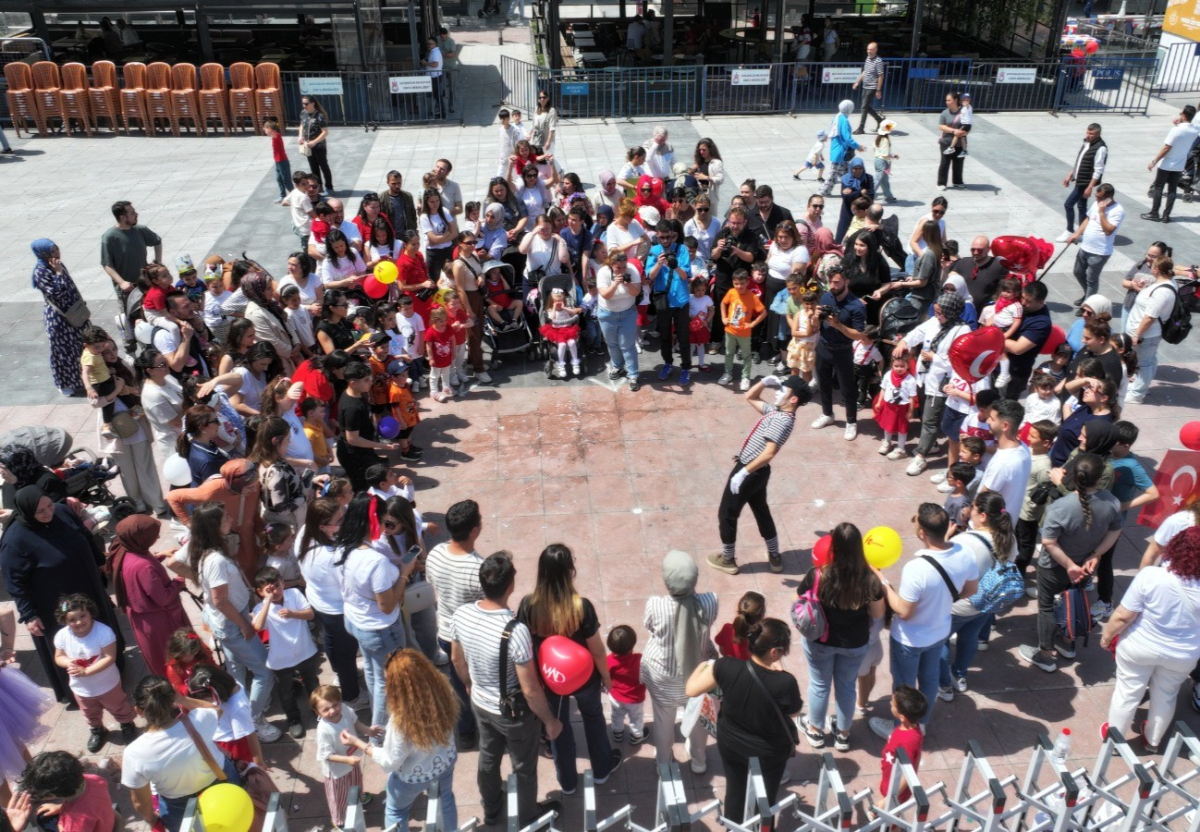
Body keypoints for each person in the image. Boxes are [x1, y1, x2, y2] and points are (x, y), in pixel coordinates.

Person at [448, 551, 562, 827]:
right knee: (523, 768)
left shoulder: (461, 614)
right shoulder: (515, 631)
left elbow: (456, 659)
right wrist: (549, 720)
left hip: (480, 703)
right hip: (513, 714)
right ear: (510, 585)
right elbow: (530, 689)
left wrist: (469, 684)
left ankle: (492, 809)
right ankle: (528, 819)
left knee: (488, 757)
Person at [0, 486, 123, 704]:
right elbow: (15, 582)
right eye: (40, 511)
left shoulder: (62, 511)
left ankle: (112, 670)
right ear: (27, 512)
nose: (48, 512)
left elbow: (85, 536)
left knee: (99, 627)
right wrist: (29, 615)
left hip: (89, 590)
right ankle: (82, 692)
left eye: (49, 506)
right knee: (73, 640)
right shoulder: (14, 541)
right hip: (57, 603)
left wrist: (100, 560)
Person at [869, 504, 980, 738]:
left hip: (910, 639)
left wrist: (882, 581)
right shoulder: (965, 553)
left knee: (904, 687)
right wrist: (942, 599)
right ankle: (922, 723)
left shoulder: (916, 568)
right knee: (929, 679)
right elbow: (971, 590)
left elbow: (903, 611)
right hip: (939, 632)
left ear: (922, 533)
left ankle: (901, 728)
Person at [517, 544, 621, 793]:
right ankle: (602, 769)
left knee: (557, 726)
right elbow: (597, 650)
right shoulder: (581, 606)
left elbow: (523, 644)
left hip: (550, 679)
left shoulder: (529, 605)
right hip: (585, 678)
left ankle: (568, 782)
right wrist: (606, 677)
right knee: (594, 718)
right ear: (569, 572)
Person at [685, 618, 800, 823]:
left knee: (735, 788)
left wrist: (703, 665)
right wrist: (779, 672)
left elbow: (691, 689)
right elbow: (793, 711)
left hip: (731, 742)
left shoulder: (725, 666)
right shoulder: (785, 681)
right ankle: (761, 826)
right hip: (768, 750)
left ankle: (734, 825)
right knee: (765, 796)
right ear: (774, 652)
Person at [1019, 453, 1122, 674]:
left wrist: (1068, 565)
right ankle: (1067, 643)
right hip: (1086, 567)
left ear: (1074, 475)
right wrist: (1096, 554)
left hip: (1054, 567)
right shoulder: (1111, 502)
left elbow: (1049, 541)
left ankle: (1045, 656)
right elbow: (1115, 530)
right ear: (1099, 478)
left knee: (1047, 607)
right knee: (1073, 600)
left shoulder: (1060, 507)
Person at [187, 502, 280, 740]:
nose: (230, 520)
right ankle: (254, 720)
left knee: (236, 670)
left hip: (224, 622)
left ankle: (241, 713)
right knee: (264, 672)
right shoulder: (216, 560)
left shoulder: (202, 550)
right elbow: (220, 600)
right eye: (226, 518)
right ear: (214, 526)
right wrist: (244, 624)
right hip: (232, 624)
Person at [1101, 527, 1200, 751]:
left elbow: (1123, 615)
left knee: (1127, 692)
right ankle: (1152, 741)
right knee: (1166, 695)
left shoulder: (1151, 576)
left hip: (1139, 646)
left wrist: (1107, 637)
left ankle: (1114, 742)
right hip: (1183, 654)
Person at [335, 493, 418, 738]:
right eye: (382, 522)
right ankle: (380, 736)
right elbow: (388, 606)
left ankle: (377, 720)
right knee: (386, 683)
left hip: (356, 621)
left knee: (373, 673)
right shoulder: (376, 562)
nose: (383, 529)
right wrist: (405, 573)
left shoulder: (342, 547)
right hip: (381, 630)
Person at [708, 376, 809, 575]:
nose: (777, 392)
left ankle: (728, 559)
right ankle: (774, 556)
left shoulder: (781, 420)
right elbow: (750, 396)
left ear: (793, 399)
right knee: (761, 511)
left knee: (727, 513)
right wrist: (764, 382)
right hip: (759, 472)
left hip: (750, 470)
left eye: (782, 390)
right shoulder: (777, 412)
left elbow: (769, 452)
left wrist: (742, 473)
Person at [799, 523, 884, 750]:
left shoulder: (818, 575)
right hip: (855, 643)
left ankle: (815, 731)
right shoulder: (870, 579)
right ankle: (843, 735)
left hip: (821, 640)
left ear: (833, 546)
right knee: (846, 687)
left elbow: (800, 599)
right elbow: (878, 614)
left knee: (819, 685)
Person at [121, 676, 242, 832]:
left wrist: (152, 819)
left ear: (138, 711)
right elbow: (216, 710)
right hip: (223, 785)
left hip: (181, 808)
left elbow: (140, 803)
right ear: (173, 698)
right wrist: (182, 699)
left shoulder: (134, 753)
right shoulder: (200, 720)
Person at [642, 551, 719, 772]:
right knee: (697, 717)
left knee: (663, 722)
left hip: (663, 676)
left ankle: (664, 763)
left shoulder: (655, 605)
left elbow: (649, 626)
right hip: (697, 674)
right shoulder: (710, 601)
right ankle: (698, 760)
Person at [938, 492, 1017, 698]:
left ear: (982, 516)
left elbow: (943, 566)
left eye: (972, 508)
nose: (968, 511)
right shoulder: (1009, 538)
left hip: (960, 604)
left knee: (939, 641)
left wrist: (945, 539)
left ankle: (944, 685)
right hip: (987, 602)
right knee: (970, 637)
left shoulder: (965, 541)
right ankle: (959, 675)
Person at [52, 593, 137, 753]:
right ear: (64, 620)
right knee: (89, 711)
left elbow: (109, 657)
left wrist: (86, 671)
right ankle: (97, 730)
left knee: (118, 706)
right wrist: (68, 662)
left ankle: (127, 724)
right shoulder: (62, 636)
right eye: (72, 619)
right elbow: (58, 656)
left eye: (82, 616)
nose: (78, 622)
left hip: (107, 684)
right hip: (81, 687)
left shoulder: (103, 632)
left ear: (90, 612)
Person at [109, 515, 189, 677]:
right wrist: (179, 580)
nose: (158, 538)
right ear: (140, 539)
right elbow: (163, 598)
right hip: (160, 622)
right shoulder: (144, 567)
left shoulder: (122, 549)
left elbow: (139, 566)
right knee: (176, 659)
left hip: (142, 619)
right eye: (154, 535)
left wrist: (160, 555)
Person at [810, 266, 868, 440]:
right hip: (823, 346)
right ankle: (827, 413)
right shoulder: (826, 297)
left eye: (836, 282)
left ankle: (851, 421)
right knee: (823, 384)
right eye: (830, 282)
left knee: (847, 388)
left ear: (846, 282)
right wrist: (815, 316)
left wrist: (838, 325)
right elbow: (815, 325)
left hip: (843, 351)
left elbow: (859, 335)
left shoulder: (856, 306)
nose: (832, 286)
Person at [311, 685, 379, 829]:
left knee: (356, 782)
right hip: (337, 771)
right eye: (326, 709)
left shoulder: (346, 710)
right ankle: (339, 819)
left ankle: (358, 798)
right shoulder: (323, 730)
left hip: (352, 760)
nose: (333, 711)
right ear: (317, 712)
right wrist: (346, 760)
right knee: (339, 797)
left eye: (335, 705)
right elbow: (326, 755)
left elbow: (355, 722)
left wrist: (369, 731)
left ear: (340, 701)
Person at [29, 239, 86, 397]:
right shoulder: (41, 271)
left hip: (74, 313)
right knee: (62, 352)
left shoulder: (58, 265)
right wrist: (59, 273)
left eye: (56, 249)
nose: (56, 254)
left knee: (81, 347)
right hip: (59, 319)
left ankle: (83, 380)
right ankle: (64, 383)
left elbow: (71, 287)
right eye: (52, 251)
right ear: (43, 253)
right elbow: (57, 294)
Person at [1124, 254, 1178, 404]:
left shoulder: (1162, 291)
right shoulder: (1166, 283)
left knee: (1144, 364)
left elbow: (1150, 317)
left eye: (1152, 266)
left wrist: (1137, 334)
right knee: (1149, 360)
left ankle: (1137, 394)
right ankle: (1141, 386)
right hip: (1149, 334)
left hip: (1147, 335)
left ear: (1156, 270)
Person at [17, 750, 115, 832]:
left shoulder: (74, 822)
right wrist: (60, 807)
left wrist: (62, 828)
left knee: (42, 819)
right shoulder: (94, 779)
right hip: (104, 821)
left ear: (52, 794)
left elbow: (77, 822)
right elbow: (87, 804)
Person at [1065, 183, 1124, 306]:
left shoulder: (1118, 211)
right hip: (1085, 247)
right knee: (1078, 272)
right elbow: (1088, 219)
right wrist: (1077, 233)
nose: (1097, 200)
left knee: (1091, 279)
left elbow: (1108, 231)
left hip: (1099, 252)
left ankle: (1088, 305)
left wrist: (1102, 213)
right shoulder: (1096, 204)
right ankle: (1088, 295)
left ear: (1109, 197)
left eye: (1100, 198)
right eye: (1096, 196)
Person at [1141, 105, 1200, 223]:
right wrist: (1180, 123)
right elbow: (1190, 128)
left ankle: (1154, 213)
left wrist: (1154, 161)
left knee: (1159, 188)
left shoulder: (1176, 130)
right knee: (1172, 190)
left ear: (1184, 115)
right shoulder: (1195, 130)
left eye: (1181, 114)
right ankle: (1166, 216)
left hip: (1167, 164)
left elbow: (1166, 148)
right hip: (1179, 165)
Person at [100, 201, 162, 306]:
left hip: (146, 284)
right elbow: (107, 265)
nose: (136, 214)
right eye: (132, 213)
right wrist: (121, 282)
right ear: (123, 217)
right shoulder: (110, 237)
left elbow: (157, 241)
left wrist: (158, 262)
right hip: (128, 290)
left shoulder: (140, 230)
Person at [1057, 123, 1107, 242]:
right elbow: (1079, 161)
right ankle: (1084, 231)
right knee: (1081, 206)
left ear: (1098, 134)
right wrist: (1071, 174)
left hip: (1085, 182)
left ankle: (1069, 230)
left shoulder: (1100, 148)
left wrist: (1090, 187)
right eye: (1088, 132)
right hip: (1080, 178)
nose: (1089, 135)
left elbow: (1098, 170)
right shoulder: (1086, 143)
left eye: (1092, 134)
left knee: (1068, 204)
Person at [877, 686, 927, 805]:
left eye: (893, 704)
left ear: (902, 717)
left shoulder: (908, 741)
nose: (890, 703)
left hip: (895, 792)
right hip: (890, 780)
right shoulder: (910, 729)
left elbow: (908, 774)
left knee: (890, 814)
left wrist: (888, 799)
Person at [1004, 280, 1053, 399]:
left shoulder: (1041, 323)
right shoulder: (1022, 306)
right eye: (1023, 298)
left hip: (1015, 371)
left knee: (1006, 403)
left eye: (1029, 301)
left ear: (1040, 302)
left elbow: (1017, 348)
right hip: (1000, 362)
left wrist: (992, 336)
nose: (1023, 303)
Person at [719, 268, 766, 390]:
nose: (739, 286)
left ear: (747, 282)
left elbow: (763, 312)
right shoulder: (731, 292)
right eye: (736, 283)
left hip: (744, 333)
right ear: (733, 282)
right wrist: (724, 318)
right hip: (730, 330)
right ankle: (728, 373)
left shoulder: (752, 297)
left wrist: (752, 324)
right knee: (729, 353)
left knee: (746, 355)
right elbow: (723, 303)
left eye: (742, 283)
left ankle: (745, 377)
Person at [605, 624, 647, 745]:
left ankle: (617, 732)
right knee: (636, 717)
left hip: (615, 696)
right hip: (635, 699)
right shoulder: (640, 660)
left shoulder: (608, 661)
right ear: (633, 644)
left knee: (616, 715)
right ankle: (637, 735)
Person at [822, 100, 864, 197]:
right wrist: (857, 146)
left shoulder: (838, 116)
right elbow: (847, 138)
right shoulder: (844, 120)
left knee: (846, 173)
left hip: (836, 149)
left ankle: (853, 189)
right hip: (841, 151)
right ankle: (824, 191)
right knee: (833, 174)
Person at [300, 96, 333, 194]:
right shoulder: (303, 113)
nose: (304, 106)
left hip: (319, 147)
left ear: (312, 103)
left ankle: (329, 187)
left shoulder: (319, 116)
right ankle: (318, 186)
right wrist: (300, 136)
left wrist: (314, 142)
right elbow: (302, 125)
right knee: (313, 167)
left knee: (323, 166)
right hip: (308, 146)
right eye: (303, 103)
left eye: (306, 104)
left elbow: (325, 132)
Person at [851, 42, 885, 134]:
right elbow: (865, 71)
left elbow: (881, 76)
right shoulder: (868, 58)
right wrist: (857, 82)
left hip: (872, 86)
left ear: (876, 50)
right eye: (868, 49)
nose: (869, 51)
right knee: (866, 107)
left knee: (863, 107)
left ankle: (861, 128)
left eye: (871, 49)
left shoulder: (878, 61)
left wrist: (878, 90)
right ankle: (880, 120)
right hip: (865, 85)